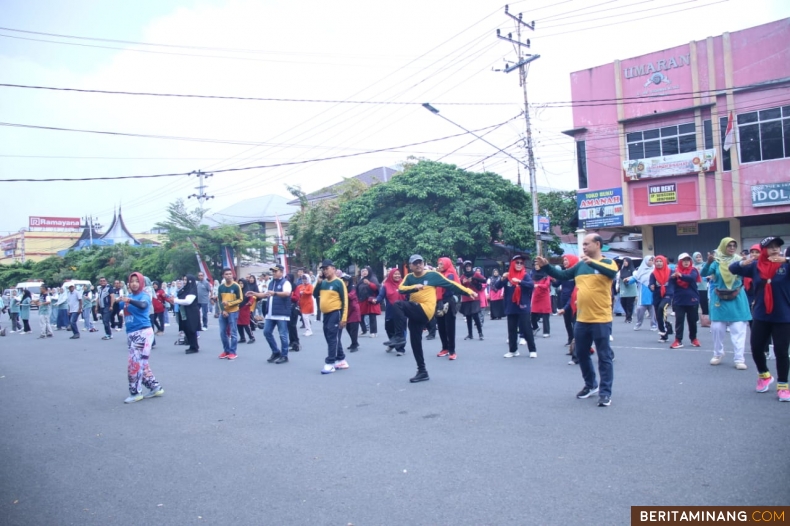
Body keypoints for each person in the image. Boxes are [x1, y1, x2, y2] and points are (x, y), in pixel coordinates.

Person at [537, 234, 618, 407]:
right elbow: (563, 275)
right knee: (581, 353)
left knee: (604, 356)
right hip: (582, 318)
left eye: (587, 244)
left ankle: (605, 392)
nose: (584, 247)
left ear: (598, 244)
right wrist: (546, 267)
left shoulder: (607, 263)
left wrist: (592, 262)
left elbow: (612, 273)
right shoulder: (580, 265)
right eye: (583, 244)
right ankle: (591, 385)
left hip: (601, 318)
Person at [385, 254, 477, 383]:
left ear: (424, 263)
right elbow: (401, 289)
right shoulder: (409, 277)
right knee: (415, 342)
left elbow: (452, 285)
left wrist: (468, 291)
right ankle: (422, 371)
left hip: (426, 310)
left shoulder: (432, 275)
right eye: (415, 263)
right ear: (410, 266)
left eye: (420, 262)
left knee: (398, 305)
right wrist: (414, 287)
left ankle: (399, 336)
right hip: (415, 311)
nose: (418, 265)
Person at [731, 236, 790, 401]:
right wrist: (743, 262)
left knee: (781, 351)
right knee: (756, 348)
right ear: (763, 250)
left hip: (783, 315)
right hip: (761, 314)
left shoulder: (786, 265)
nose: (775, 249)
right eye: (770, 247)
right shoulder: (756, 266)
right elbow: (733, 268)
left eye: (777, 246)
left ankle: (783, 386)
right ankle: (764, 376)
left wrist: (786, 259)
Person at [701, 237, 751, 368]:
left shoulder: (740, 261)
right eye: (729, 245)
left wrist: (748, 264)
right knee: (717, 328)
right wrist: (708, 262)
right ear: (723, 247)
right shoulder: (716, 262)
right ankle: (718, 353)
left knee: (738, 329)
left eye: (734, 245)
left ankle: (739, 359)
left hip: (737, 297)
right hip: (719, 297)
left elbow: (752, 273)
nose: (732, 248)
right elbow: (703, 273)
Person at [117, 272, 164, 403]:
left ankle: (135, 392)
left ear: (142, 283)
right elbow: (120, 309)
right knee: (142, 364)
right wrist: (117, 301)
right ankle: (155, 387)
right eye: (132, 281)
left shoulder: (144, 296)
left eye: (137, 281)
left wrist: (129, 300)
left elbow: (143, 305)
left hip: (143, 333)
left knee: (134, 364)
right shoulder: (129, 296)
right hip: (131, 333)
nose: (134, 283)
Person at [248, 264, 291, 364]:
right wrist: (254, 293)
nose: (274, 273)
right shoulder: (271, 283)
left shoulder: (286, 282)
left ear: (281, 272)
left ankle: (284, 355)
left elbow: (287, 293)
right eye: (273, 271)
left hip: (281, 313)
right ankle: (276, 351)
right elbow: (266, 294)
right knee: (266, 332)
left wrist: (275, 293)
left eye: (276, 271)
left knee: (283, 335)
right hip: (270, 313)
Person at [495, 255, 537, 358]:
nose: (519, 264)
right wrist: (502, 278)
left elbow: (531, 285)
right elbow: (497, 286)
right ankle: (513, 350)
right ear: (513, 263)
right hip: (511, 306)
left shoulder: (525, 275)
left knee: (527, 328)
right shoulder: (508, 276)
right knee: (512, 329)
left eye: (521, 263)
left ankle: (532, 350)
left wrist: (520, 282)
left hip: (523, 305)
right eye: (517, 262)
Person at [313, 260, 349, 374]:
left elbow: (345, 301)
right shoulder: (323, 283)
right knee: (329, 337)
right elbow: (314, 295)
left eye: (326, 268)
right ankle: (341, 359)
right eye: (323, 269)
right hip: (326, 314)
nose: (324, 271)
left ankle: (330, 363)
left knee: (332, 337)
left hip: (335, 312)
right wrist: (318, 283)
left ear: (333, 268)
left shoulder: (339, 282)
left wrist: (344, 318)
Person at [669, 253, 701, 349]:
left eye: (688, 260)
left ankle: (694, 339)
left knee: (692, 321)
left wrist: (681, 275)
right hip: (679, 300)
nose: (686, 262)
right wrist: (673, 278)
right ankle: (678, 340)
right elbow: (670, 284)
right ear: (680, 262)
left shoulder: (693, 270)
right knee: (679, 321)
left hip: (692, 299)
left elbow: (691, 278)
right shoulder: (674, 272)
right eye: (684, 260)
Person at [433, 257, 462, 360]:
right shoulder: (440, 274)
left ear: (446, 264)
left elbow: (447, 285)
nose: (439, 266)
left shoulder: (450, 274)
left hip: (449, 301)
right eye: (439, 264)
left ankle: (452, 350)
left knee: (449, 326)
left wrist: (436, 276)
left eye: (441, 264)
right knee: (440, 325)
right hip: (439, 301)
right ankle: (444, 348)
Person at [375, 267, 407, 356]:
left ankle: (400, 349)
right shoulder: (386, 285)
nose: (397, 275)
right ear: (391, 275)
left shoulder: (404, 284)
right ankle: (393, 343)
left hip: (402, 311)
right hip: (390, 311)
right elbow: (380, 296)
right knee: (389, 328)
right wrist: (376, 300)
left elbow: (408, 295)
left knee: (401, 330)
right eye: (395, 274)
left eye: (398, 274)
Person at [217, 268, 243, 360]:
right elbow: (219, 300)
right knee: (222, 332)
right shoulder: (221, 287)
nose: (228, 275)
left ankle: (233, 352)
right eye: (226, 274)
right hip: (224, 312)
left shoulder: (236, 286)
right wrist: (223, 310)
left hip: (233, 311)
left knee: (233, 332)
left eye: (230, 274)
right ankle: (226, 350)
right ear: (223, 276)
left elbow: (240, 299)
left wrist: (229, 303)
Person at [649, 256, 674, 343]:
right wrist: (651, 286)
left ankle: (665, 329)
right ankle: (664, 332)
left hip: (667, 295)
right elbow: (651, 284)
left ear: (664, 262)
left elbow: (672, 284)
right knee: (658, 315)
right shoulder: (653, 274)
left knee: (661, 308)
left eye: (661, 261)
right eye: (657, 261)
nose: (659, 263)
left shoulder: (670, 272)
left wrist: (669, 293)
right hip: (657, 296)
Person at [173, 275, 200, 354]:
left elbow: (188, 301)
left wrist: (175, 300)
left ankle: (194, 346)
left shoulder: (192, 290)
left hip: (191, 312)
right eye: (184, 280)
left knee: (191, 329)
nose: (184, 281)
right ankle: (191, 344)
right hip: (184, 311)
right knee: (186, 328)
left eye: (186, 280)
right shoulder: (184, 289)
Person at [459, 260, 485, 340]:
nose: (468, 268)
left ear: (471, 267)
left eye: (469, 266)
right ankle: (470, 334)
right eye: (466, 266)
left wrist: (473, 279)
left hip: (475, 297)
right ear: (464, 268)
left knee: (475, 315)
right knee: (468, 316)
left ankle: (480, 333)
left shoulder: (475, 274)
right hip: (466, 298)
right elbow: (459, 286)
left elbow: (484, 280)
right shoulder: (463, 276)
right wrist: (462, 282)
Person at [558, 255, 580, 346]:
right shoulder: (564, 273)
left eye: (566, 260)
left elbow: (575, 291)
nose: (564, 262)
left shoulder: (576, 274)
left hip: (573, 300)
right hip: (563, 298)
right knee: (567, 321)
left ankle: (576, 340)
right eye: (564, 260)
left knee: (574, 321)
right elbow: (556, 283)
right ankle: (570, 339)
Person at [632, 256, 657, 331]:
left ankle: (654, 325)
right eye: (649, 260)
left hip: (653, 293)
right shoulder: (640, 271)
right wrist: (627, 280)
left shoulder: (655, 270)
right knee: (640, 310)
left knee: (653, 311)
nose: (651, 261)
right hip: (643, 294)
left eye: (652, 260)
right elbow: (635, 278)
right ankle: (638, 324)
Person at [357, 266, 381, 338]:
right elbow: (357, 288)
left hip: (370, 299)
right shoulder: (361, 280)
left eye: (365, 271)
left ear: (369, 271)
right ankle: (364, 330)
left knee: (372, 316)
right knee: (360, 315)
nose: (364, 272)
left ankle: (373, 332)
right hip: (362, 300)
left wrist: (369, 283)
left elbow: (376, 288)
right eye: (363, 271)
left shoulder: (373, 278)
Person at [531, 260, 552, 338]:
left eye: (537, 264)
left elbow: (546, 285)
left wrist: (538, 285)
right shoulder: (533, 274)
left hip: (544, 296)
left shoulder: (546, 275)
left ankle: (546, 331)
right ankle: (535, 327)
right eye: (535, 264)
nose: (536, 266)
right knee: (532, 314)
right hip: (536, 296)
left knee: (545, 314)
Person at [342, 275, 362, 351]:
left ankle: (354, 345)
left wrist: (342, 295)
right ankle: (354, 342)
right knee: (348, 327)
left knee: (354, 329)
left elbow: (351, 296)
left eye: (346, 281)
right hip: (348, 310)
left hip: (354, 310)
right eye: (343, 281)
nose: (344, 283)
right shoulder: (344, 288)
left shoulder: (353, 287)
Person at [693, 252, 711, 327]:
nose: (698, 258)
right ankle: (696, 318)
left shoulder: (704, 265)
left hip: (703, 287)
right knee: (695, 304)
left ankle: (705, 319)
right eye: (696, 257)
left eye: (699, 257)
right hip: (695, 287)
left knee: (704, 303)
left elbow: (708, 272)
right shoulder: (692, 266)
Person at [237, 276, 256, 344]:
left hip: (245, 309)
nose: (240, 284)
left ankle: (252, 337)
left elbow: (252, 298)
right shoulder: (237, 291)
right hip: (238, 310)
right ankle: (242, 338)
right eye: (239, 283)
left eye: (242, 283)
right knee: (239, 325)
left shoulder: (247, 291)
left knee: (246, 324)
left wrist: (249, 303)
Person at [618, 257, 637, 323]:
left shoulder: (633, 270)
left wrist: (628, 278)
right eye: (624, 261)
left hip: (631, 289)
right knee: (623, 303)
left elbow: (635, 277)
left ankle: (629, 318)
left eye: (626, 261)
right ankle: (628, 314)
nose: (625, 263)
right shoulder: (621, 270)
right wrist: (617, 286)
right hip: (623, 289)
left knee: (629, 304)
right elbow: (618, 279)